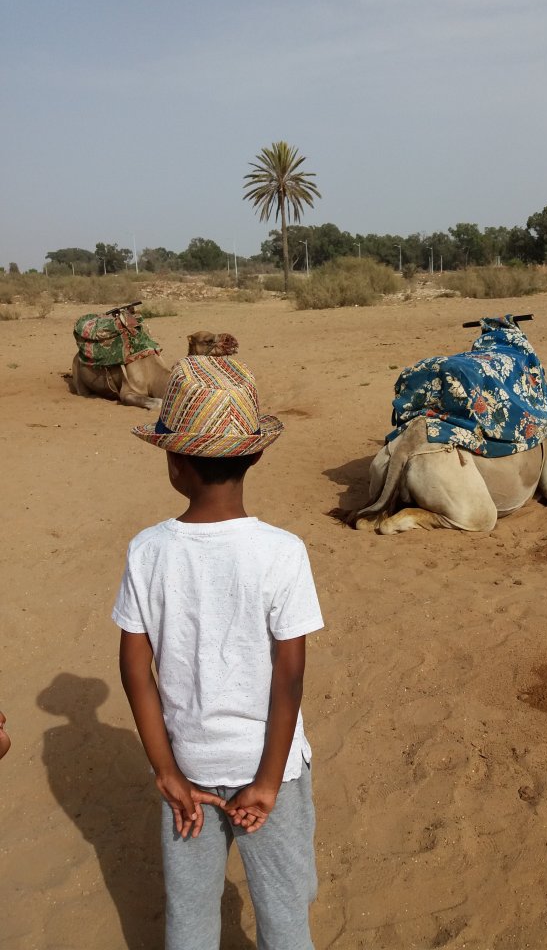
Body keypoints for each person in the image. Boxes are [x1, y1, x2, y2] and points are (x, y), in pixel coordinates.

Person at [113, 355, 324, 950]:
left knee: (190, 917)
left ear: (174, 464)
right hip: (271, 772)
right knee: (285, 914)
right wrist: (265, 781)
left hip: (191, 771)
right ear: (254, 455)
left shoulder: (148, 550)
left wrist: (168, 774)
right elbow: (290, 679)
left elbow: (135, 671)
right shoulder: (284, 552)